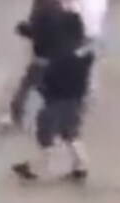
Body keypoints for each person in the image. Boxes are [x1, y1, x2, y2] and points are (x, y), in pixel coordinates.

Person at [12, 11, 94, 182]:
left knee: (45, 131)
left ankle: (36, 167)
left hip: (58, 98)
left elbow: (52, 76)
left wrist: (45, 90)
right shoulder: (83, 52)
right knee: (70, 131)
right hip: (75, 98)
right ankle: (81, 164)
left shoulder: (62, 54)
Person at [2, 0, 65, 130]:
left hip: (42, 62)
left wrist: (23, 29)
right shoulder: (59, 17)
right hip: (58, 62)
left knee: (25, 88)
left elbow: (38, 36)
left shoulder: (41, 19)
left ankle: (15, 117)